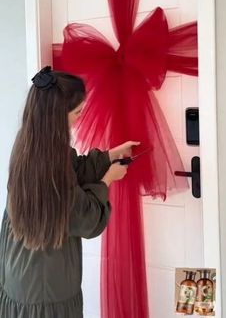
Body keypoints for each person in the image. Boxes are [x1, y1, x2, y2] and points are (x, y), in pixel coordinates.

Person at [0, 66, 139, 318]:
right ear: (56, 116)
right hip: (45, 285)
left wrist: (109, 156)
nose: (80, 118)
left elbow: (72, 172)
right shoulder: (49, 164)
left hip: (21, 270)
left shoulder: (30, 143)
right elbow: (86, 220)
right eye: (77, 112)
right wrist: (107, 179)